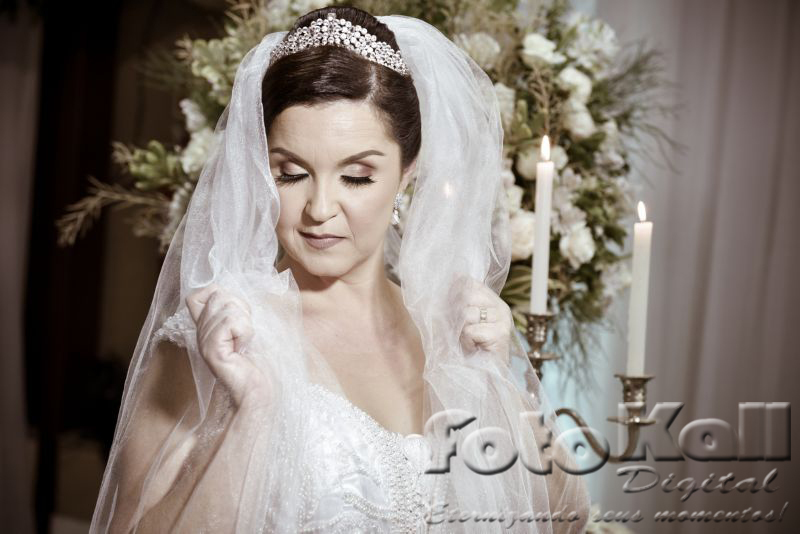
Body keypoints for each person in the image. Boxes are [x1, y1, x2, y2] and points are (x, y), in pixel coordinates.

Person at [90, 6, 590, 533]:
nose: (320, 209)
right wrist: (249, 410)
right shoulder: (217, 338)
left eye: (356, 176)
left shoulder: (450, 329)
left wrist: (497, 379)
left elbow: (568, 519)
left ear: (407, 173)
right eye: (291, 173)